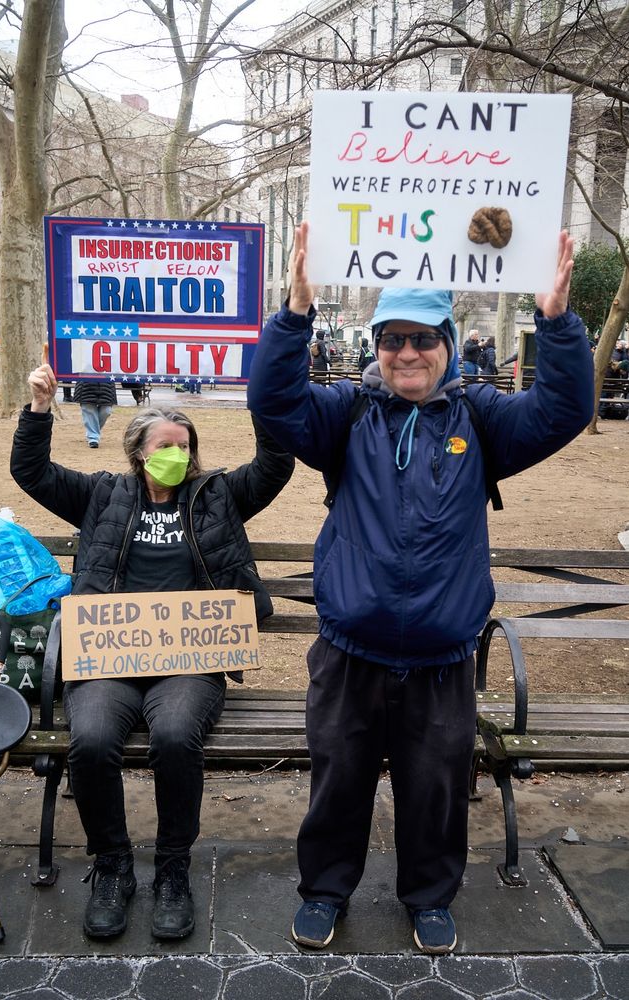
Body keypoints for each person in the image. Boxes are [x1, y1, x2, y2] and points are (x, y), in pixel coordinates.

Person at [247, 223, 594, 955]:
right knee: (338, 781)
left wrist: (557, 324)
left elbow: (562, 413)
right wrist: (294, 314)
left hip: (441, 657)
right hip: (350, 651)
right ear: (375, 346)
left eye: (422, 339)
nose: (406, 353)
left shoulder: (482, 419)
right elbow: (274, 405)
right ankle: (324, 891)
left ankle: (428, 896)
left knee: (434, 787)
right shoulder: (347, 415)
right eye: (391, 339)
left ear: (445, 342)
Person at [10, 370, 294, 941]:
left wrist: (265, 399)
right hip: (108, 662)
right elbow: (32, 472)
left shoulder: (216, 496)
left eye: (184, 446)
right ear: (138, 452)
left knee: (174, 737)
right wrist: (39, 408)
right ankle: (113, 865)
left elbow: (274, 467)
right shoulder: (102, 496)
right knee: (89, 740)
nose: (177, 454)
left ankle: (172, 869)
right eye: (165, 445)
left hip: (190, 662)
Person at [73, 378, 118, 448]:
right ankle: (93, 438)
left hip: (106, 383)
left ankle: (92, 431)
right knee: (89, 410)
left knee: (107, 411)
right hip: (86, 384)